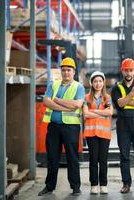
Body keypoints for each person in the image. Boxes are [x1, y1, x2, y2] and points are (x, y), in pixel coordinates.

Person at [38, 57, 85, 196]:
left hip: (71, 128)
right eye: (63, 70)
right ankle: (49, 186)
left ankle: (76, 187)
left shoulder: (78, 87)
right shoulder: (53, 85)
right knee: (52, 157)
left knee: (72, 157)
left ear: (73, 72)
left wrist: (57, 100)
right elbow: (46, 101)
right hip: (54, 127)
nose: (66, 73)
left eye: (68, 70)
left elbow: (77, 105)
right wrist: (64, 107)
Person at [111, 58, 134, 194]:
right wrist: (132, 95)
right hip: (123, 128)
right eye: (126, 70)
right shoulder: (116, 88)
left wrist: (126, 101)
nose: (128, 73)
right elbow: (119, 104)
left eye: (131, 70)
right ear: (122, 71)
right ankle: (126, 183)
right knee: (124, 156)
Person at [83, 71, 113, 195]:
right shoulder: (86, 98)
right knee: (93, 160)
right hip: (91, 134)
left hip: (104, 134)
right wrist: (102, 112)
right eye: (95, 81)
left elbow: (110, 112)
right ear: (92, 83)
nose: (98, 83)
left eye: (100, 81)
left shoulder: (107, 98)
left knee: (103, 160)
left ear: (103, 83)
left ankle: (104, 184)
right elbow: (85, 114)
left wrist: (93, 112)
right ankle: (94, 184)